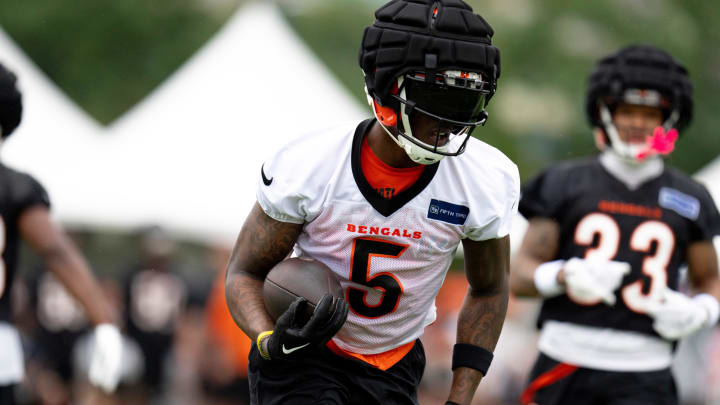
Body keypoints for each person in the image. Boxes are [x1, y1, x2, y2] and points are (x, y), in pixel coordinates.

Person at [224, 1, 519, 404]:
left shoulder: (483, 179)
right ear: (385, 88)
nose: (449, 123)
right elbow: (244, 273)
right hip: (306, 354)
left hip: (393, 362)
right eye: (435, 98)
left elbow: (489, 289)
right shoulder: (312, 164)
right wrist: (269, 340)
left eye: (463, 102)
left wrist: (459, 397)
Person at [510, 44, 720, 405]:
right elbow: (519, 278)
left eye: (649, 113)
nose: (637, 123)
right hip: (565, 361)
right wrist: (563, 274)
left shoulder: (692, 197)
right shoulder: (563, 183)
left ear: (670, 118)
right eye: (627, 110)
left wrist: (701, 311)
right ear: (604, 111)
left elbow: (709, 281)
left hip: (646, 371)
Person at [0, 61, 123, 403]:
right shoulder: (12, 186)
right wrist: (104, 321)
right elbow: (56, 251)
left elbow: (55, 250)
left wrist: (103, 320)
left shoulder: (13, 188)